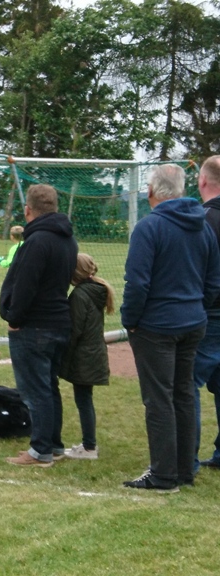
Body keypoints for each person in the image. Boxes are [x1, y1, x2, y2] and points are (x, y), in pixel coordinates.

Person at [121, 164, 220, 491]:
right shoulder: (201, 225)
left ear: (151, 191)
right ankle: (183, 470)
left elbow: (137, 283)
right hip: (192, 322)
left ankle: (164, 475)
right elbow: (213, 281)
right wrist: (196, 307)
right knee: (182, 394)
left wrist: (131, 320)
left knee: (160, 399)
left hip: (157, 326)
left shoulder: (149, 227)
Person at [0, 184, 78, 468]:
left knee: (35, 390)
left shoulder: (37, 242)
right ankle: (53, 445)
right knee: (49, 386)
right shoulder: (68, 240)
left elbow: (25, 286)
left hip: (35, 326)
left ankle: (41, 450)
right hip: (58, 322)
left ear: (27, 210)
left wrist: (15, 319)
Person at [59, 253, 114, 460]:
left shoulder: (80, 295)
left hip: (84, 356)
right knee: (85, 399)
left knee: (83, 400)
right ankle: (88, 444)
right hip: (93, 353)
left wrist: (62, 356)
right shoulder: (96, 290)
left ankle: (89, 447)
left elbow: (75, 330)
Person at [196, 155, 220, 470]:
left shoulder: (202, 221)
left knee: (186, 386)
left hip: (209, 313)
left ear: (202, 181)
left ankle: (184, 458)